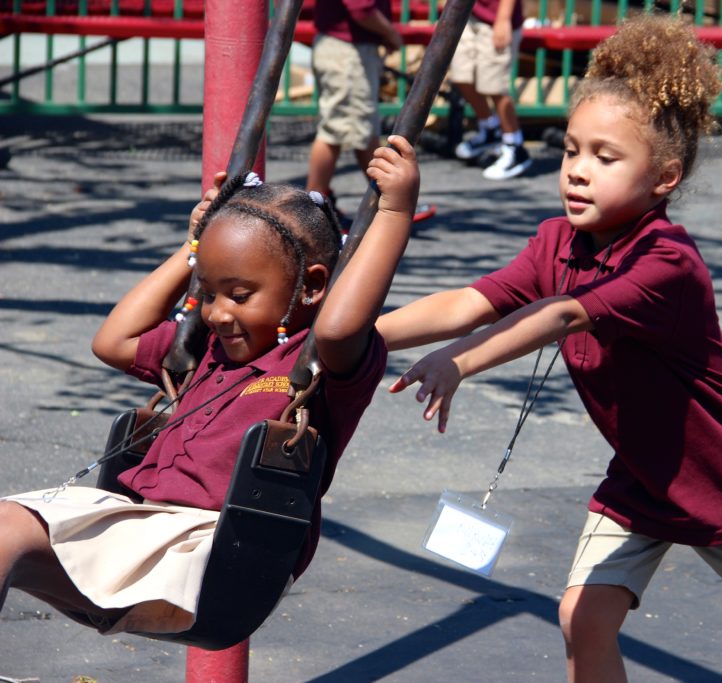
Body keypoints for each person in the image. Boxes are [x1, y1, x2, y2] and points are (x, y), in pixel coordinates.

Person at [377, 15, 722, 683]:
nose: (578, 172)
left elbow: (565, 313)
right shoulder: (556, 241)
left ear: (664, 176)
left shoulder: (667, 264)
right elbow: (473, 300)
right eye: (571, 150)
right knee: (583, 617)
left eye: (605, 158)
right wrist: (354, 335)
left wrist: (461, 359)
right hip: (644, 475)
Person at [0, 136, 420, 635]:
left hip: (213, 555)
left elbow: (340, 325)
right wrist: (192, 248)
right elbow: (114, 341)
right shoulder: (207, 351)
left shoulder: (317, 366)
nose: (219, 313)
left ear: (311, 286)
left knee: (7, 529)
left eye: (240, 295)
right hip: (145, 525)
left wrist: (395, 214)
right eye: (207, 293)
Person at [306, 0, 403, 224]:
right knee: (336, 130)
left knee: (356, 128)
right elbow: (361, 10)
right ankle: (313, 209)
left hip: (346, 47)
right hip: (348, 50)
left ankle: (318, 204)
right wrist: (391, 34)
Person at [449, 0, 532, 180]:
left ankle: (515, 146)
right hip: (469, 15)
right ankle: (489, 129)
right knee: (461, 76)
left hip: (496, 18)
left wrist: (503, 19)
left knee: (495, 87)